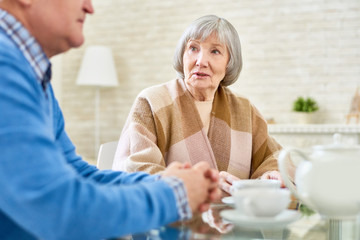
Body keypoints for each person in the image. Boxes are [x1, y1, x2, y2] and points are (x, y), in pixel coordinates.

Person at [0, 1, 221, 239]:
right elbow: (61, 208)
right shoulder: (6, 68)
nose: (89, 7)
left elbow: (76, 172)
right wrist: (175, 194)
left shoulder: (29, 74)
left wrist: (163, 183)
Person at [113, 15, 284, 194]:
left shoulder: (244, 109)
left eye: (215, 51)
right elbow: (137, 170)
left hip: (234, 219)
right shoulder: (151, 102)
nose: (201, 61)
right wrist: (201, 184)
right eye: (193, 48)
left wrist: (270, 175)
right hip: (172, 216)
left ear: (229, 62)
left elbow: (275, 157)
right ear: (182, 55)